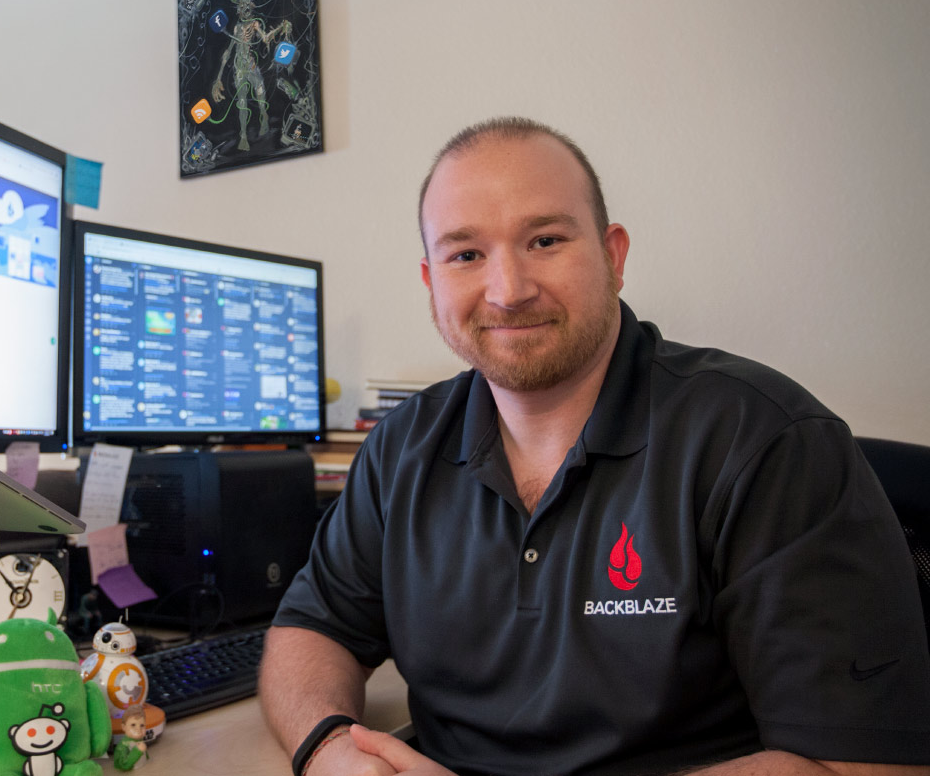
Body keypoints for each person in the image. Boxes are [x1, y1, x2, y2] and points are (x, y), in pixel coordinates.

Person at [261, 117, 930, 776]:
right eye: (466, 254)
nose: (509, 290)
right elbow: (310, 631)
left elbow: (857, 764)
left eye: (545, 240)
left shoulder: (764, 441)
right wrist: (329, 750)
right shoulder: (399, 450)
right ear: (432, 282)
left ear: (613, 256)